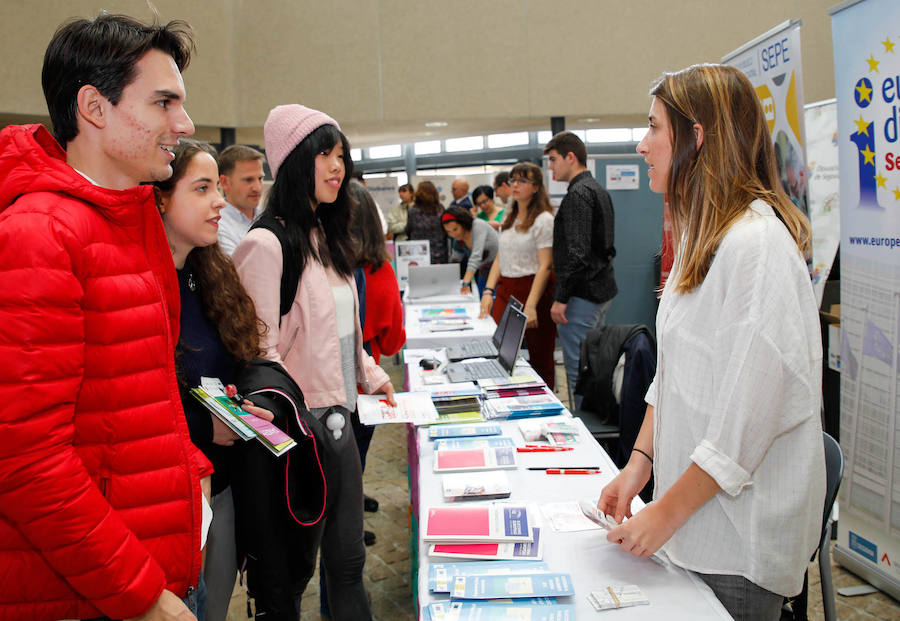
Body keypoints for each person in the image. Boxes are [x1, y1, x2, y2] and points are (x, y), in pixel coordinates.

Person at [0, 13, 210, 621]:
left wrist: (188, 466)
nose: (185, 125)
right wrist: (140, 596)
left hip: (140, 561)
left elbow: (133, 394)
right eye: (164, 102)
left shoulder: (131, 216)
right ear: (93, 107)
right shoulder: (38, 234)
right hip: (86, 592)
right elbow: (25, 459)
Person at [598, 64, 825, 621]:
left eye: (654, 128)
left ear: (695, 138)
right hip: (692, 524)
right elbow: (674, 375)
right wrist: (639, 465)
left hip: (734, 547)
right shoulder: (706, 240)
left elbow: (741, 428)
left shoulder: (758, 247)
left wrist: (664, 515)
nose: (640, 143)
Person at [233, 103, 394, 621]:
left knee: (348, 561)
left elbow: (342, 331)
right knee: (289, 578)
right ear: (295, 160)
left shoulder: (326, 235)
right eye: (325, 153)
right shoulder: (266, 243)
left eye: (342, 155)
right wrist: (300, 427)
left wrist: (370, 375)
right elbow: (259, 352)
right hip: (301, 436)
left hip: (340, 419)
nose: (337, 166)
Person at [154, 139, 277, 621]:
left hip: (221, 487)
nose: (219, 201)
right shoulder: (143, 284)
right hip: (170, 500)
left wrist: (245, 404)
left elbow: (224, 370)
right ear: (161, 198)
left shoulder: (207, 274)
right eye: (202, 188)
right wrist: (208, 428)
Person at [544, 131, 617, 407]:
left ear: (570, 157)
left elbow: (577, 253)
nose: (550, 167)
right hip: (600, 289)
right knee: (594, 362)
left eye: (553, 160)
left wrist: (561, 298)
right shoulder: (596, 189)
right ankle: (597, 423)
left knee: (578, 368)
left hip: (582, 294)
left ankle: (585, 430)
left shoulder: (578, 194)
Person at [479, 162, 556, 388]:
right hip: (506, 289)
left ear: (535, 187)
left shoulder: (544, 220)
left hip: (534, 290)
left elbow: (545, 266)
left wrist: (530, 305)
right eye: (513, 180)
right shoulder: (509, 218)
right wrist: (488, 291)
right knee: (501, 352)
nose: (515, 185)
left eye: (522, 181)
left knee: (541, 357)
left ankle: (546, 411)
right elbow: (501, 257)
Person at [216, 144, 266, 255]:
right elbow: (237, 269)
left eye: (260, 178)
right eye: (248, 180)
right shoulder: (218, 226)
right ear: (224, 182)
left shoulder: (268, 217)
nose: (257, 187)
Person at [442, 205, 499, 296]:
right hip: (483, 274)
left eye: (455, 229)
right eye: (448, 231)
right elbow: (455, 261)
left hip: (499, 273)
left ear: (463, 223)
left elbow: (476, 257)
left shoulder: (477, 226)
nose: (453, 234)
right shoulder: (458, 240)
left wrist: (465, 283)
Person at [407, 179, 448, 264]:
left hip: (419, 254)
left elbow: (408, 230)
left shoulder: (413, 211)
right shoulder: (440, 209)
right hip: (439, 254)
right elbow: (446, 230)